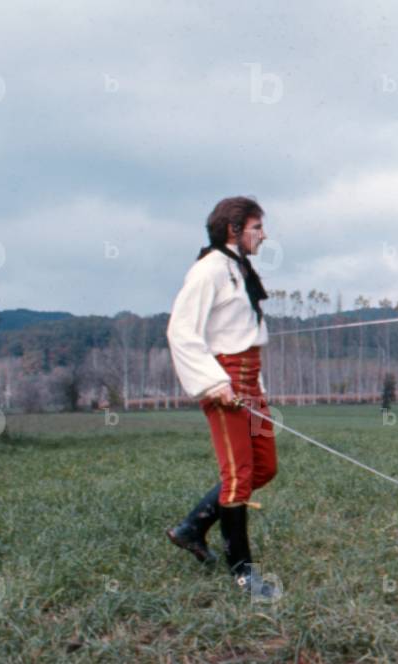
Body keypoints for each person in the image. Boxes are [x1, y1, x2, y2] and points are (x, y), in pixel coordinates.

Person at [165, 196, 280, 598]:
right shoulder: (208, 270)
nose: (263, 235)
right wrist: (213, 383)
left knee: (264, 467)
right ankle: (244, 575)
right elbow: (181, 332)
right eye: (256, 227)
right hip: (223, 384)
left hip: (250, 382)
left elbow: (243, 336)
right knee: (238, 477)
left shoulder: (239, 267)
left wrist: (256, 388)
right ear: (234, 229)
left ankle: (192, 527)